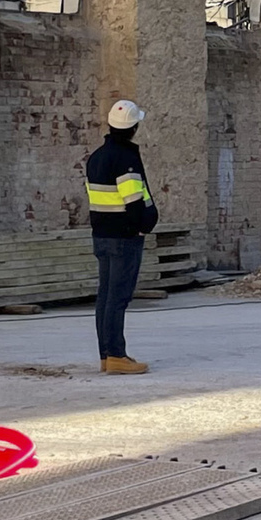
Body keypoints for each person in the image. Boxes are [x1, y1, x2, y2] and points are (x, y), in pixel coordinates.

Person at [84, 98, 158, 372]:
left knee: (105, 297)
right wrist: (142, 224)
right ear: (134, 127)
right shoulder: (125, 157)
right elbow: (133, 200)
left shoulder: (97, 157)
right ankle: (116, 355)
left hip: (102, 235)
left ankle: (106, 355)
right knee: (118, 297)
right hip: (124, 237)